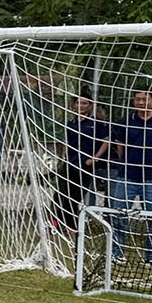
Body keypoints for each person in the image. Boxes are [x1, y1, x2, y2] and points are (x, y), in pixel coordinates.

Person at [105, 89, 152, 264]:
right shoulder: (125, 122)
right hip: (127, 177)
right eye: (138, 99)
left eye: (145, 99)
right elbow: (120, 147)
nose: (141, 102)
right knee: (119, 215)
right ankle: (116, 253)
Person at [52, 94, 107, 228]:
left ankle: (72, 226)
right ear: (74, 105)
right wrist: (64, 156)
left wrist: (95, 158)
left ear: (90, 106)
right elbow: (66, 141)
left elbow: (106, 141)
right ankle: (57, 223)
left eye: (84, 103)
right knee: (60, 195)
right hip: (70, 163)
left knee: (75, 197)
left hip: (85, 165)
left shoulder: (96, 124)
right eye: (78, 103)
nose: (80, 106)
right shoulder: (71, 123)